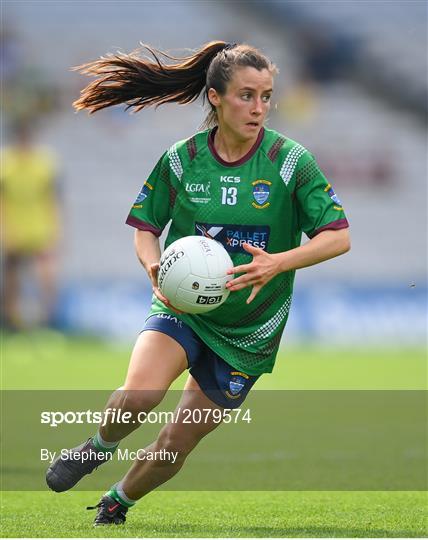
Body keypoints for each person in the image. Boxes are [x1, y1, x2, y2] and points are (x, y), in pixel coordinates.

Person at [46, 41, 350, 526]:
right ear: (215, 97)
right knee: (139, 395)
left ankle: (116, 501)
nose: (259, 108)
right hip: (182, 307)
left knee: (176, 442)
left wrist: (277, 263)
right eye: (246, 96)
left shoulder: (291, 162)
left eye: (266, 96)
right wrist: (152, 266)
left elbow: (338, 238)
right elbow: (146, 227)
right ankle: (96, 447)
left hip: (250, 331)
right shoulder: (183, 160)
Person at [1, 120, 61, 330]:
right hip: (14, 231)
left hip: (40, 230)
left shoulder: (44, 164)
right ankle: (12, 324)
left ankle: (47, 322)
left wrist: (55, 231)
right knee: (12, 281)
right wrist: (5, 230)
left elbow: (54, 199)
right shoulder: (6, 165)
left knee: (46, 277)